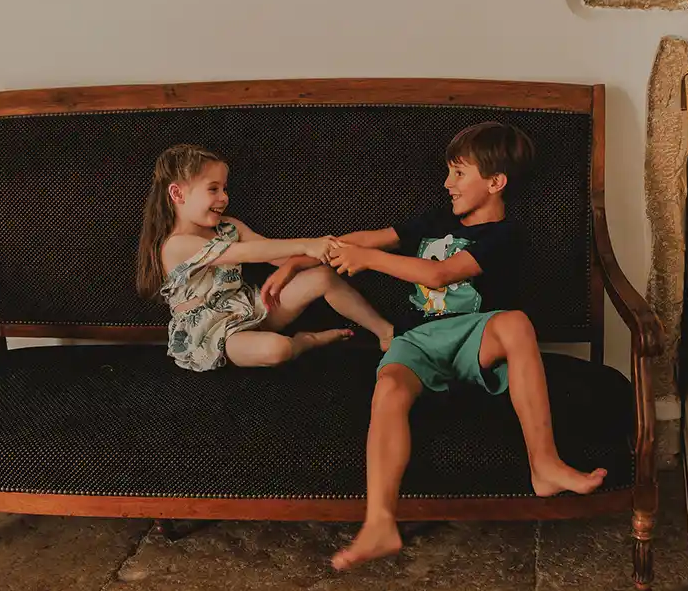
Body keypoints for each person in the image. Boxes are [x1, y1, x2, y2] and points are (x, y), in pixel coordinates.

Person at [261, 122, 606, 570]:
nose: (448, 183)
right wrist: (294, 263)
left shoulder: (505, 235)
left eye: (459, 173)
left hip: (474, 335)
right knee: (388, 388)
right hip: (416, 341)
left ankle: (544, 463)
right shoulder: (435, 221)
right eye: (449, 172)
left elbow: (439, 275)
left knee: (517, 324)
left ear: (496, 182)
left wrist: (370, 261)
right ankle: (379, 522)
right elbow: (358, 240)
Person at [135, 143, 393, 372]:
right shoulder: (177, 245)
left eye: (224, 188)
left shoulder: (229, 227)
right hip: (212, 336)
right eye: (213, 189)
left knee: (322, 277)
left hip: (250, 308)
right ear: (177, 194)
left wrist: (335, 248)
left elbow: (272, 253)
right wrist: (307, 244)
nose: (224, 198)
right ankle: (305, 341)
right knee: (278, 349)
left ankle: (386, 333)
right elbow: (248, 253)